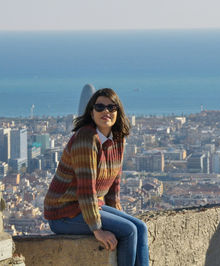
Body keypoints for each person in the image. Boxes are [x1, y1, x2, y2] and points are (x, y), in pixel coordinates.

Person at [44, 88, 149, 266]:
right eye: (99, 107)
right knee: (129, 230)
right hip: (63, 213)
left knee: (141, 227)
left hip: (90, 207)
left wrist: (118, 214)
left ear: (118, 112)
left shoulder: (118, 139)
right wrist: (97, 230)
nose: (105, 111)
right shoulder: (86, 138)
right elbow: (86, 189)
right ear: (91, 113)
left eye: (111, 107)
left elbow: (114, 187)